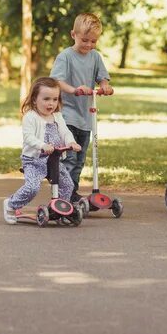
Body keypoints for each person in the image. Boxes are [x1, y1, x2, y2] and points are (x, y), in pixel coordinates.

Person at [49, 13, 114, 203]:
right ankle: (64, 195)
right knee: (69, 158)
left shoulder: (95, 57)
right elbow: (57, 81)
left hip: (86, 118)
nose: (89, 45)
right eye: (85, 40)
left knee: (79, 160)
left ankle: (72, 192)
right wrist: (74, 90)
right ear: (73, 35)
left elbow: (102, 77)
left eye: (93, 41)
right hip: (67, 116)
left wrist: (104, 86)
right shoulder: (66, 56)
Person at [3, 77, 81, 224]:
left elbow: (65, 132)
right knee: (32, 187)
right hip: (34, 160)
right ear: (34, 99)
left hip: (54, 160)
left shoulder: (57, 116)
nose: (51, 103)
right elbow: (28, 137)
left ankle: (60, 211)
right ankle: (11, 204)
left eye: (54, 99)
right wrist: (42, 145)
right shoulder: (30, 117)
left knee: (68, 185)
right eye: (46, 99)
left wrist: (71, 142)